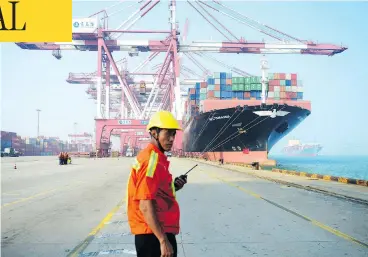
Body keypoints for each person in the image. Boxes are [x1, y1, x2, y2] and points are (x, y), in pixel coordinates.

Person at [126, 110, 187, 257]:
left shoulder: (157, 159)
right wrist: (162, 240)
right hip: (152, 234)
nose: (172, 139)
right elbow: (145, 205)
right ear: (154, 132)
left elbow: (155, 191)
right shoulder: (151, 161)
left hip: (156, 230)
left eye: (174, 134)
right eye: (168, 134)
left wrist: (174, 186)